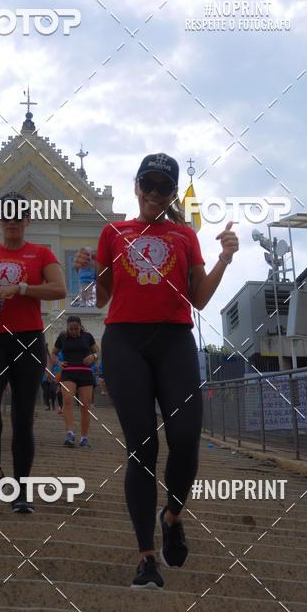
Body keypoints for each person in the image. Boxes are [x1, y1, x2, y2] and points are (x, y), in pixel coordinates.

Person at [74, 153, 238, 588]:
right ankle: (147, 557)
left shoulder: (184, 236)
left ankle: (173, 515)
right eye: (147, 183)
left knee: (185, 438)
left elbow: (199, 298)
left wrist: (223, 259)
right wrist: (90, 270)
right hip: (125, 340)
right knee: (142, 448)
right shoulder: (113, 232)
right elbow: (101, 298)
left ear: (170, 194)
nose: (153, 192)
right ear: (136, 186)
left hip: (174, 340)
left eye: (163, 187)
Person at [0, 197, 66, 513]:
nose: (12, 222)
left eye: (18, 217)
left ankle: (21, 489)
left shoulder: (41, 253)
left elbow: (59, 289)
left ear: (27, 221)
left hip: (28, 339)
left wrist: (22, 289)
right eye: (7, 217)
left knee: (23, 415)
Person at [52, 315, 98, 447]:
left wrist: (93, 356)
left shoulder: (88, 336)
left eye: (76, 329)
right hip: (68, 372)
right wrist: (58, 362)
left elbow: (97, 351)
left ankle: (84, 438)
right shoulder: (62, 337)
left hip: (85, 373)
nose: (73, 331)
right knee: (67, 400)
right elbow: (54, 353)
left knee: (85, 405)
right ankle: (70, 434)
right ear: (67, 327)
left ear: (80, 326)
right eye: (71, 329)